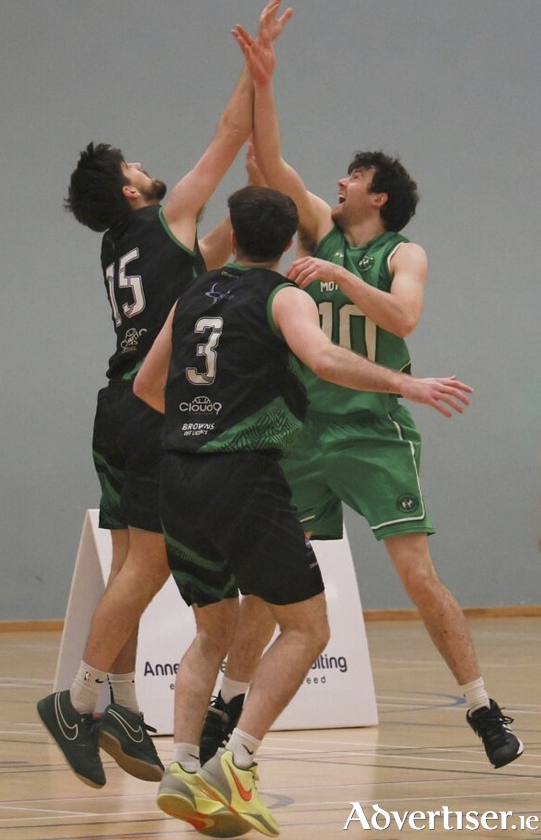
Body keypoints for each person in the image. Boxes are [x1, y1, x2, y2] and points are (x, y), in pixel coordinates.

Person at [133, 73, 473, 834]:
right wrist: (404, 386)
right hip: (243, 472)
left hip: (176, 469)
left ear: (230, 227)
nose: (337, 184)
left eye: (352, 178)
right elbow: (324, 360)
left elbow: (148, 387)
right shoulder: (286, 294)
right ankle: (237, 761)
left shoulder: (195, 292)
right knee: (307, 628)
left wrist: (262, 74)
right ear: (290, 239)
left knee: (213, 633)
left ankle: (183, 768)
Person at [199, 0, 524, 773]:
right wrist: (264, 79)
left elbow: (404, 321)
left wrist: (343, 286)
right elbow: (273, 163)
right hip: (305, 434)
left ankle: (481, 704)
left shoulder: (401, 254)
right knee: (270, 588)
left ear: (378, 196)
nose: (339, 181)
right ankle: (226, 708)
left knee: (417, 574)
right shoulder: (316, 226)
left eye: (353, 176)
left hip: (375, 430)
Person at [36, 0, 294, 790]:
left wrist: (258, 204)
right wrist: (257, 71)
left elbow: (214, 254)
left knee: (128, 569)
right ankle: (75, 700)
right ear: (129, 189)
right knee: (148, 569)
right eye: (135, 165)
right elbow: (227, 135)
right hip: (150, 410)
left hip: (114, 404)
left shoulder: (122, 245)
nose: (148, 165)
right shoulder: (164, 214)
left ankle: (118, 699)